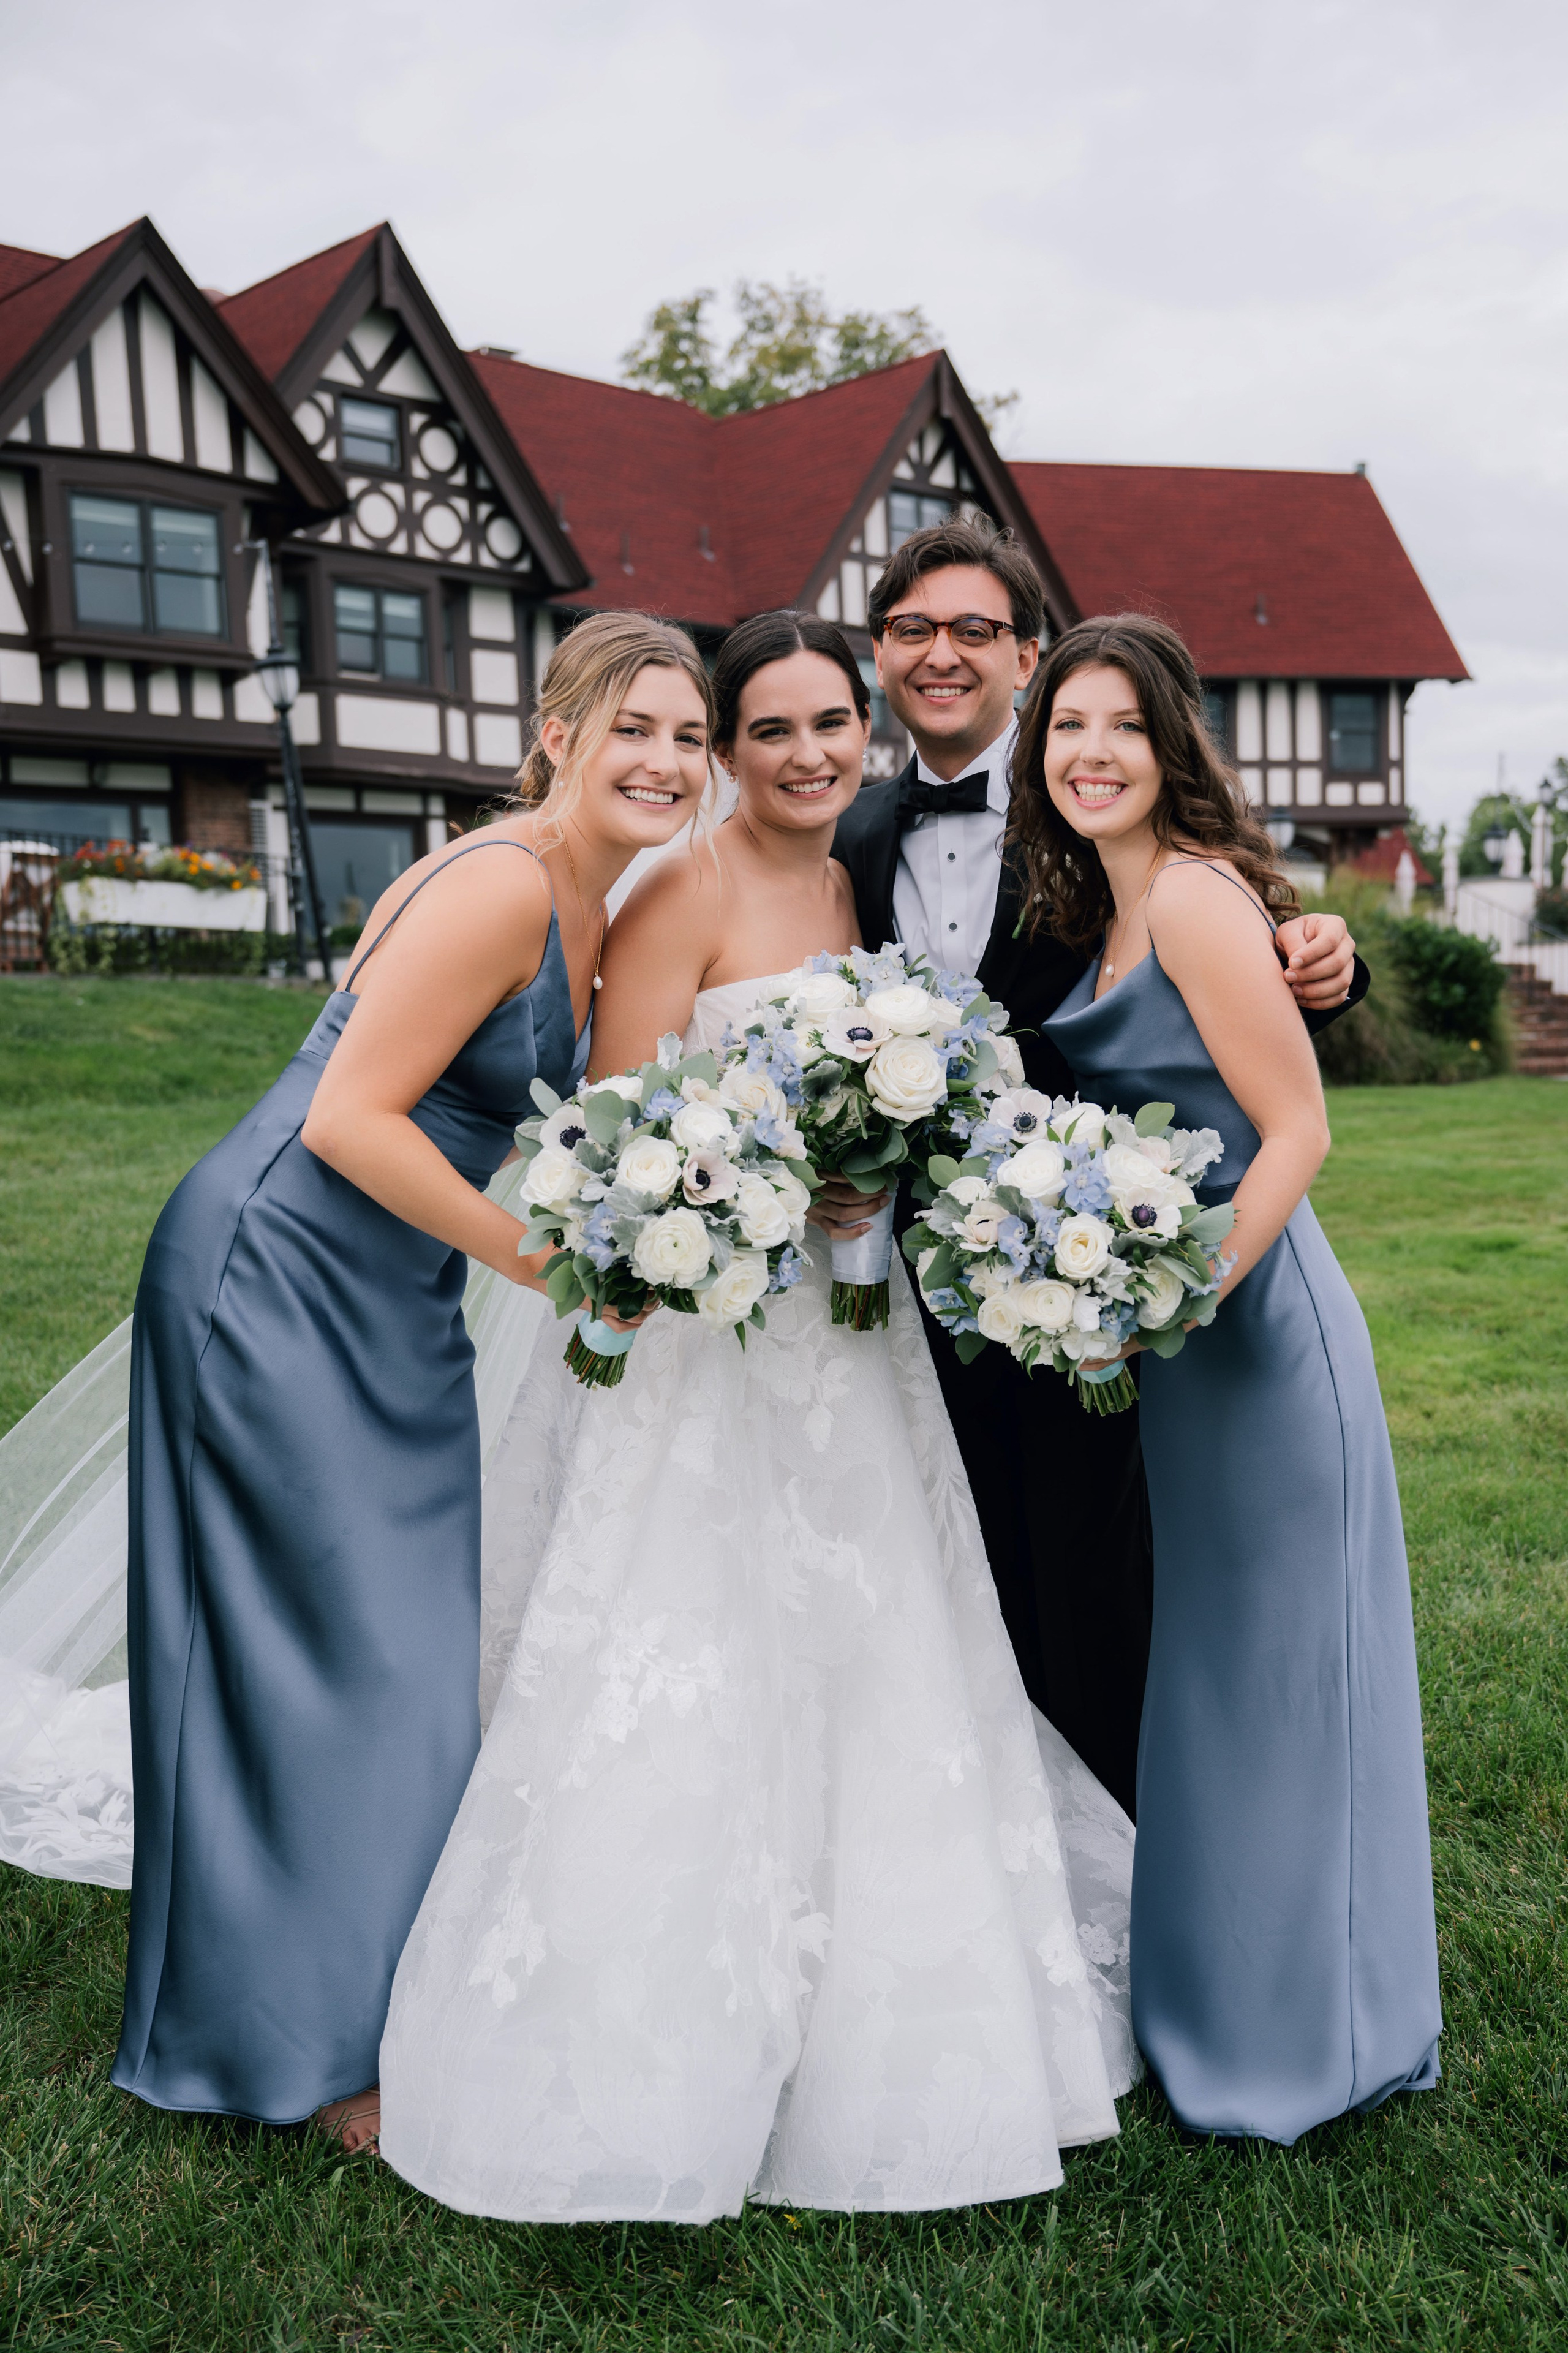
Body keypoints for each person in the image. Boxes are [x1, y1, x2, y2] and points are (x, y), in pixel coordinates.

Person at [376, 610, 1138, 2223]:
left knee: (878, 1643)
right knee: (700, 1632)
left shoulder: (848, 881)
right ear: (724, 750)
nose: (807, 755)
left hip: (846, 1337)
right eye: (770, 731)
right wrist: (767, 1195)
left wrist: (860, 1186)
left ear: (863, 735)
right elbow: (623, 1133)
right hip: (704, 1332)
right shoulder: (683, 889)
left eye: (828, 727)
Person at [109, 611, 711, 2148]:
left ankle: (349, 2005)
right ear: (557, 732)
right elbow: (350, 1121)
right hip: (278, 1274)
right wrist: (544, 1260)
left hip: (390, 1295)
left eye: (686, 736)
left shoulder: (594, 898)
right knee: (327, 1656)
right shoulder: (504, 881)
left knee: (401, 1650)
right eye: (629, 725)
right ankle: (281, 2050)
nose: (663, 759)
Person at [829, 516, 1365, 1818]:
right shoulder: (843, 831)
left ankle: (1125, 1861)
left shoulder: (1097, 820)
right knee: (951, 1586)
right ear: (882, 657)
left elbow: (1235, 952)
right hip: (906, 1283)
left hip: (1097, 1279)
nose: (940, 655)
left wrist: (1329, 963)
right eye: (911, 631)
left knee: (1102, 1590)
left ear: (1024, 656)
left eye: (973, 631)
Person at [1026, 612, 1440, 2142]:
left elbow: (1296, 1131)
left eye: (1119, 726)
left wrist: (1180, 1294)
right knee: (1216, 1682)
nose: (1088, 752)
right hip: (1188, 1363)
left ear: (1170, 744)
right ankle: (1218, 2005)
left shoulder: (1196, 900)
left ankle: (1315, 2034)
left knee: (1287, 1688)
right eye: (1064, 726)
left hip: (1260, 1347)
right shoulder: (1107, 917)